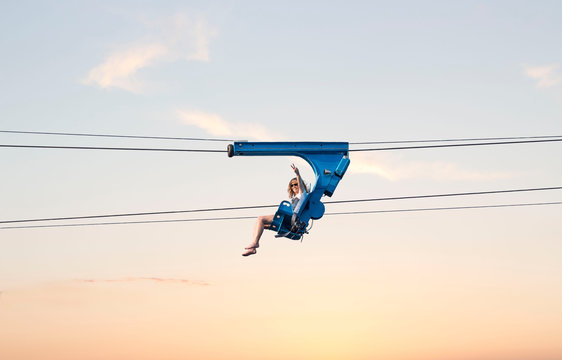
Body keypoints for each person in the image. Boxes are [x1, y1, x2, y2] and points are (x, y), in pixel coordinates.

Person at [242, 164, 308, 256]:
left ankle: (255, 243)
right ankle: (253, 248)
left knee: (261, 218)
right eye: (292, 185)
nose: (294, 187)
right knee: (261, 224)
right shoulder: (295, 197)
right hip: (288, 219)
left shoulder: (302, 195)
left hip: (289, 218)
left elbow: (301, 188)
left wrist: (297, 174)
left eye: (295, 184)